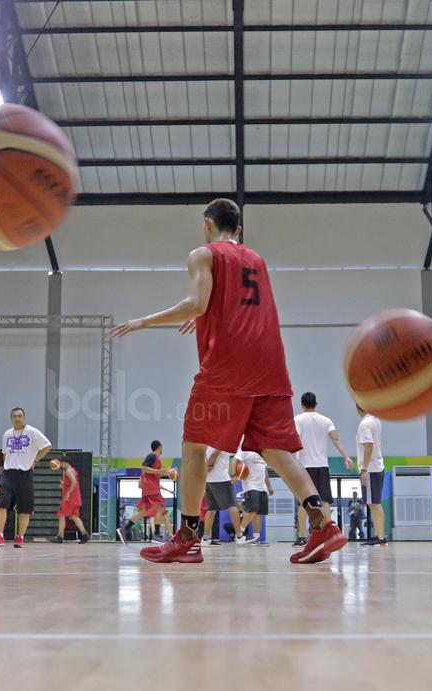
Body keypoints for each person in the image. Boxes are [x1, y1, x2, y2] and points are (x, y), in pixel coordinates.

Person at [111, 197, 347, 564]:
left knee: (193, 447)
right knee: (278, 452)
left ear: (207, 225)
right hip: (270, 364)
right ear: (238, 230)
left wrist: (144, 320)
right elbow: (232, 306)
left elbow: (198, 303)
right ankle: (323, 525)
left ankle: (188, 536)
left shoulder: (203, 254)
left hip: (228, 365)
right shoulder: (257, 260)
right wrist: (206, 315)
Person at [292, 392, 354, 545]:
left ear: (302, 405)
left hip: (305, 466)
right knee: (325, 500)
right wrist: (346, 456)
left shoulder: (297, 420)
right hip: (322, 465)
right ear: (316, 404)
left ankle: (301, 537)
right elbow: (336, 439)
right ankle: (328, 534)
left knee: (303, 502)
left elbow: (296, 440)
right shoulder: (326, 421)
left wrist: (294, 461)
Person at [0, 407, 51, 549]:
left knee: (24, 509)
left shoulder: (32, 432)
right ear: (11, 418)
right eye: (14, 416)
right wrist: (9, 463)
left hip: (25, 474)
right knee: (1, 505)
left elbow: (47, 446)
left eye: (19, 416)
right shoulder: (7, 434)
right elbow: (4, 453)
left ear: (24, 417)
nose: (17, 418)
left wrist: (35, 461)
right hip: (8, 475)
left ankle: (20, 537)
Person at [118, 440, 176, 543]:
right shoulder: (152, 456)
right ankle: (156, 535)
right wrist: (162, 471)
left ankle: (124, 529)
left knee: (143, 512)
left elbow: (151, 473)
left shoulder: (155, 460)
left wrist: (166, 471)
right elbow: (144, 468)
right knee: (160, 509)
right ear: (160, 447)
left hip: (149, 489)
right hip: (151, 489)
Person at [356, 404, 387, 546]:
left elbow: (368, 446)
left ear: (358, 409)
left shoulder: (365, 424)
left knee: (374, 503)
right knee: (374, 503)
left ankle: (381, 537)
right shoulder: (376, 420)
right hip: (377, 467)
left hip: (371, 469)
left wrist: (364, 469)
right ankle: (379, 536)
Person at [201, 446, 244, 545]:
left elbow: (234, 452)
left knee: (211, 509)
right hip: (221, 479)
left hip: (209, 479)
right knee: (233, 506)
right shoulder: (219, 445)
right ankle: (239, 535)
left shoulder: (207, 444)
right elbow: (211, 461)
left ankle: (206, 537)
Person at [47, 459, 90, 544]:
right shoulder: (73, 470)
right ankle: (85, 535)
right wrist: (64, 484)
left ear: (66, 463)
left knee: (61, 515)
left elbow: (73, 482)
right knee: (75, 517)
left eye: (62, 463)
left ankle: (60, 537)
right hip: (76, 498)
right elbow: (73, 482)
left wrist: (68, 493)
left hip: (70, 499)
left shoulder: (68, 471)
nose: (61, 465)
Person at [235, 445, 272, 545]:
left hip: (262, 487)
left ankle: (256, 538)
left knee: (259, 513)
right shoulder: (244, 449)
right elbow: (236, 461)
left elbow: (265, 470)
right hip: (250, 485)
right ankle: (239, 534)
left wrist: (269, 487)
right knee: (252, 510)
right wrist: (235, 476)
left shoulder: (262, 450)